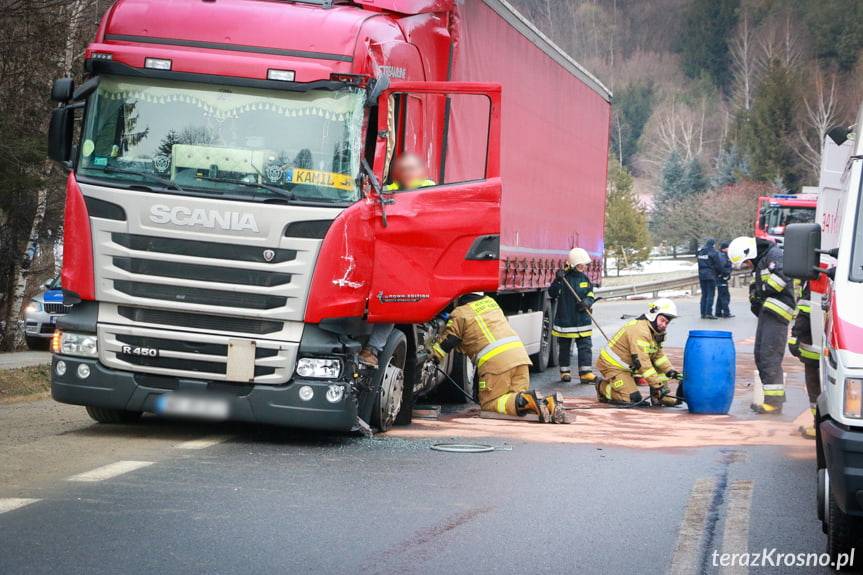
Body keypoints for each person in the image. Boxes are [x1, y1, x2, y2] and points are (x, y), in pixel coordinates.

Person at [431, 293, 567, 423]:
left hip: (496, 365)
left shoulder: (460, 313)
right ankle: (549, 403)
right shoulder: (490, 302)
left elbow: (448, 341)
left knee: (490, 403)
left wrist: (433, 356)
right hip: (521, 359)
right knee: (514, 401)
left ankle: (527, 399)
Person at [359, 154, 436, 367]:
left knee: (391, 303)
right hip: (382, 258)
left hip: (408, 262)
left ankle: (372, 349)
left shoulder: (430, 191)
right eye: (404, 169)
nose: (408, 173)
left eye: (412, 169)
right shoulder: (386, 189)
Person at [728, 236, 796, 414]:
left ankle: (774, 404)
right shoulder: (762, 260)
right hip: (768, 313)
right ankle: (771, 400)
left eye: (747, 261)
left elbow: (782, 277)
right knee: (761, 355)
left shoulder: (774, 254)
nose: (748, 265)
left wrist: (762, 291)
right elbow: (757, 286)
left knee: (769, 356)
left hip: (778, 312)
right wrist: (755, 297)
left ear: (749, 252)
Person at [596, 298, 683, 407]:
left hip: (628, 365)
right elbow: (642, 363)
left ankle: (660, 397)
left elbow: (657, 355)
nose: (664, 325)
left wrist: (670, 371)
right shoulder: (640, 331)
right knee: (633, 399)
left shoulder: (655, 330)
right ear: (653, 315)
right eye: (662, 320)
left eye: (667, 322)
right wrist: (657, 385)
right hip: (612, 365)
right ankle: (601, 387)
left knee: (660, 368)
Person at [549, 247, 597, 384]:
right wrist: (557, 280)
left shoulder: (585, 279)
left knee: (585, 346)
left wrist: (587, 302)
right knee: (564, 348)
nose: (584, 267)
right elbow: (552, 293)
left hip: (582, 320)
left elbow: (590, 294)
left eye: (585, 264)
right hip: (566, 321)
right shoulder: (564, 279)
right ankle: (565, 372)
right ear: (574, 264)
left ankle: (586, 373)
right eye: (581, 264)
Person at [788, 280, 821, 438]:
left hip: (813, 344)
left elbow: (805, 312)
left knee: (814, 384)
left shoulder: (814, 281)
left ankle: (818, 426)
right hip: (819, 340)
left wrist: (795, 336)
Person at [697, 238, 722, 319]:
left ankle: (702, 313)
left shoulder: (700, 252)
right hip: (711, 275)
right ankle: (709, 313)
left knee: (704, 294)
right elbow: (718, 265)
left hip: (702, 275)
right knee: (710, 295)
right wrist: (722, 273)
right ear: (713, 244)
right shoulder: (713, 253)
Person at [714, 241, 734, 318]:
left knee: (720, 295)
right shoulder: (722, 256)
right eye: (728, 248)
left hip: (721, 277)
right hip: (721, 278)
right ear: (724, 249)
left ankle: (718, 312)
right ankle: (726, 313)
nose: (729, 249)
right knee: (725, 296)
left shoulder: (723, 255)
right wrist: (725, 274)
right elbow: (721, 267)